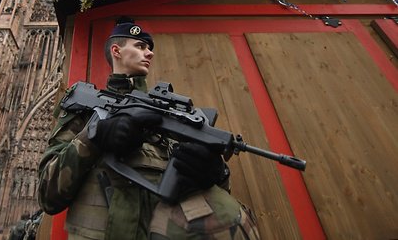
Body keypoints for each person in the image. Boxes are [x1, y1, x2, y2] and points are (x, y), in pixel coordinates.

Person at [38, 18, 260, 239]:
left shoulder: (171, 117)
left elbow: (214, 201)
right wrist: (94, 138)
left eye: (150, 48)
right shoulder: (86, 110)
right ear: (116, 51)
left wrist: (216, 174)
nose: (150, 53)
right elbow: (48, 196)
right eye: (140, 46)